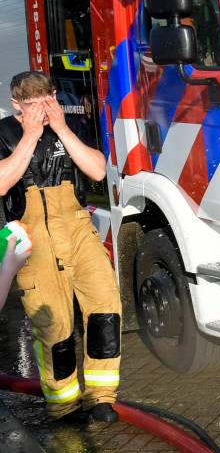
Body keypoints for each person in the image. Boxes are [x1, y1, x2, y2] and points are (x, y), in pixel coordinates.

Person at [0, 71, 120, 423]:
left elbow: (98, 171)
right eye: (32, 105)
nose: (42, 110)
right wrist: (31, 135)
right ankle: (64, 404)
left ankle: (101, 396)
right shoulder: (5, 132)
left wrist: (63, 130)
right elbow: (3, 183)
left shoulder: (66, 127)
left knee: (104, 305)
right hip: (31, 232)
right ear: (16, 104)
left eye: (47, 101)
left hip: (78, 225)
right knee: (54, 324)